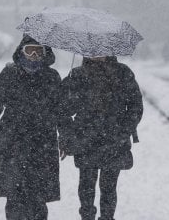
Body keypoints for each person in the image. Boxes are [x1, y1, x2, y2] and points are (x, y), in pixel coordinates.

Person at [0, 35, 62, 220]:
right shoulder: (10, 73)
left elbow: (62, 112)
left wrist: (67, 139)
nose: (34, 54)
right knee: (14, 196)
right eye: (30, 50)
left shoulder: (52, 77)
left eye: (39, 51)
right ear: (21, 51)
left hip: (43, 144)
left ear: (46, 53)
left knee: (39, 199)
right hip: (13, 143)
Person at [59, 56, 143, 220]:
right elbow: (63, 110)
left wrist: (123, 131)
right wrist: (68, 135)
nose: (97, 54)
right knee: (86, 185)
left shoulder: (123, 72)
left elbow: (135, 105)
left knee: (109, 186)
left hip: (114, 140)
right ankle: (87, 216)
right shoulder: (77, 75)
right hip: (85, 140)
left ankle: (107, 217)